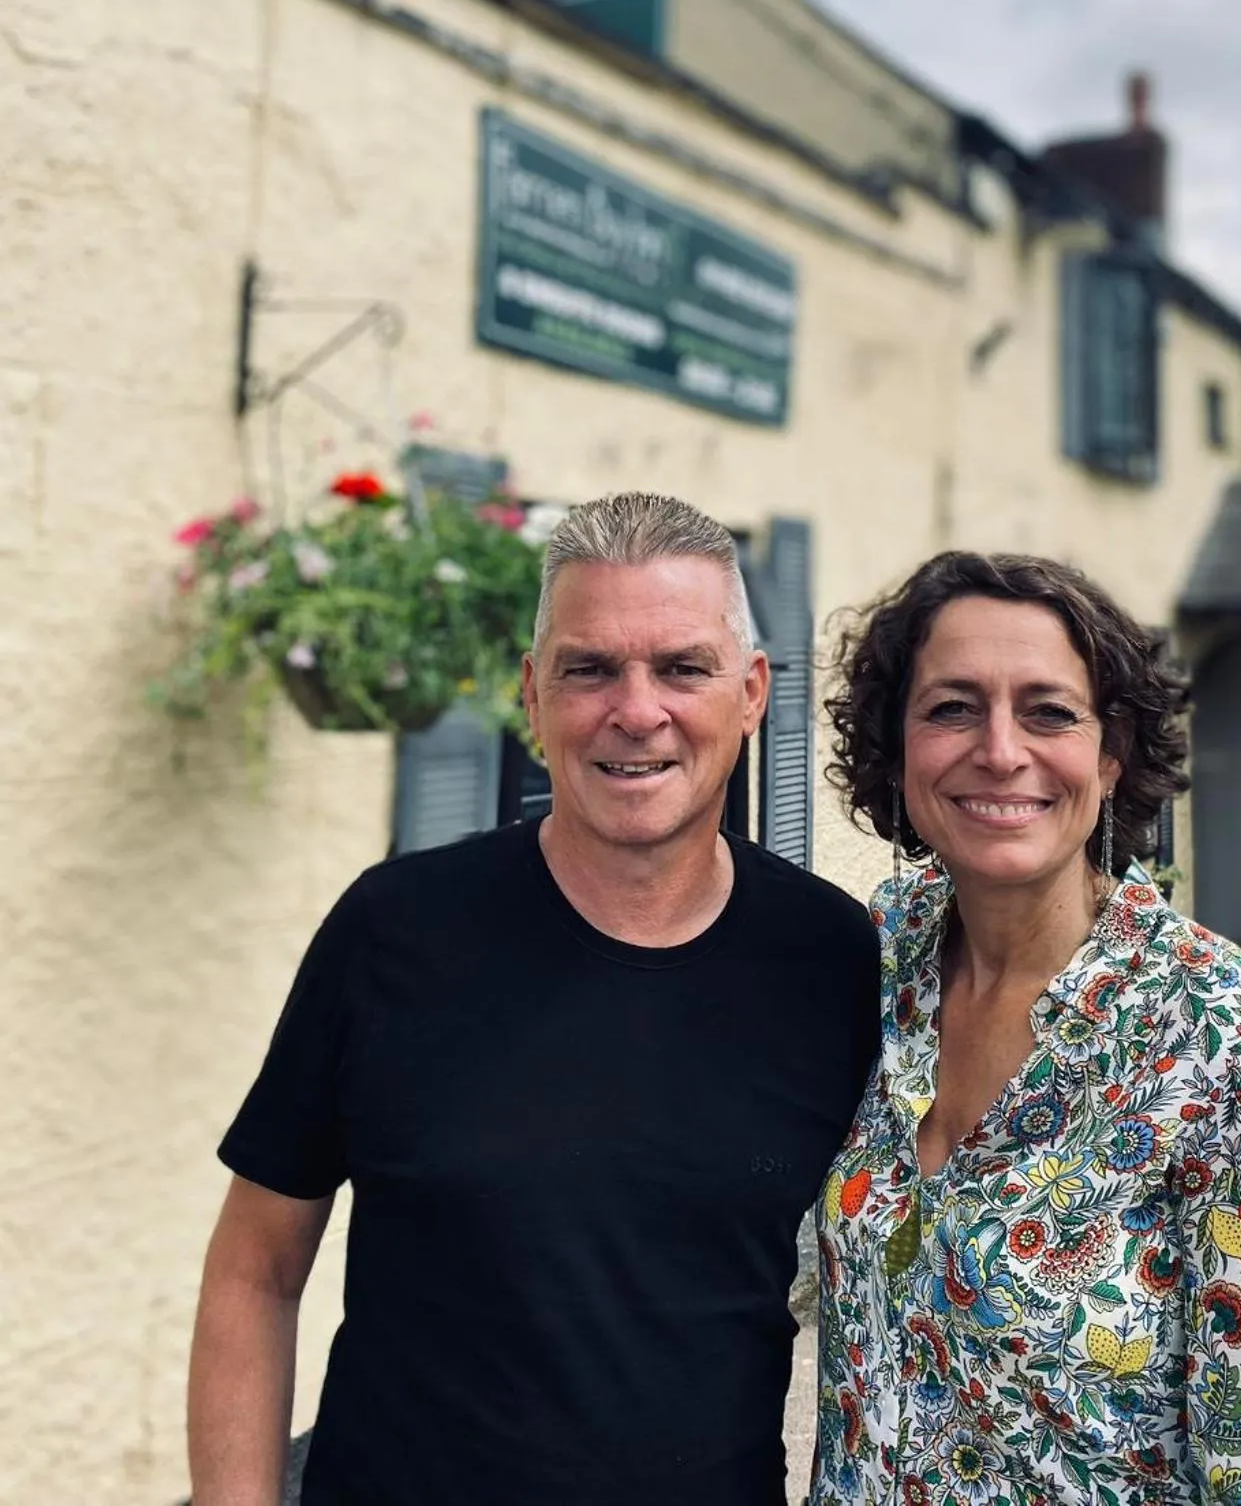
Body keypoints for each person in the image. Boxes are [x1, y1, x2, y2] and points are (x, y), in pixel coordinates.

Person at [188, 491, 880, 1506]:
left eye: (682, 667)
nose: (635, 710)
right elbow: (255, 1269)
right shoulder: (394, 928)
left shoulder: (833, 957)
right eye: (589, 667)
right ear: (531, 692)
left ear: (751, 691)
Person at [811, 551, 1241, 1506]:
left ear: (1111, 757)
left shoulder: (1226, 1034)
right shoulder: (875, 961)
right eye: (951, 707)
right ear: (898, 749)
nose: (999, 749)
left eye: (1048, 711)